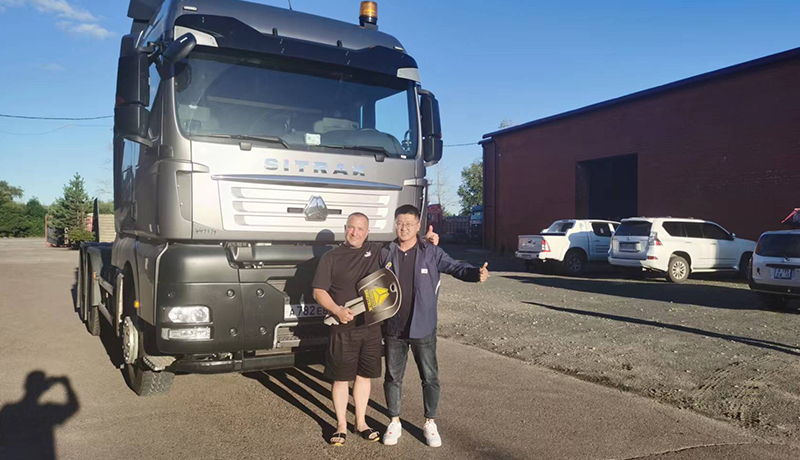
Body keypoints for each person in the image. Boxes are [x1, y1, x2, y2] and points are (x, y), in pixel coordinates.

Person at [312, 212, 438, 446]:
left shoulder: (377, 251)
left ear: (367, 232)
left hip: (371, 328)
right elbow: (318, 291)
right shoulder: (331, 257)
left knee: (364, 376)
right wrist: (337, 310)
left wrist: (425, 240)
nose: (355, 233)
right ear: (345, 228)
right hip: (343, 327)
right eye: (351, 227)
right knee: (341, 378)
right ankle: (341, 425)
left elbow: (405, 241)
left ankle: (360, 422)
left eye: (360, 229)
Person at [380, 205, 489, 447]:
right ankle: (394, 421)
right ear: (394, 224)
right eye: (400, 223)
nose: (404, 227)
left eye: (409, 223)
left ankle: (430, 422)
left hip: (423, 326)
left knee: (429, 377)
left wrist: (476, 274)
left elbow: (455, 267)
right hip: (394, 327)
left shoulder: (430, 251)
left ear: (417, 226)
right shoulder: (385, 252)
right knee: (392, 377)